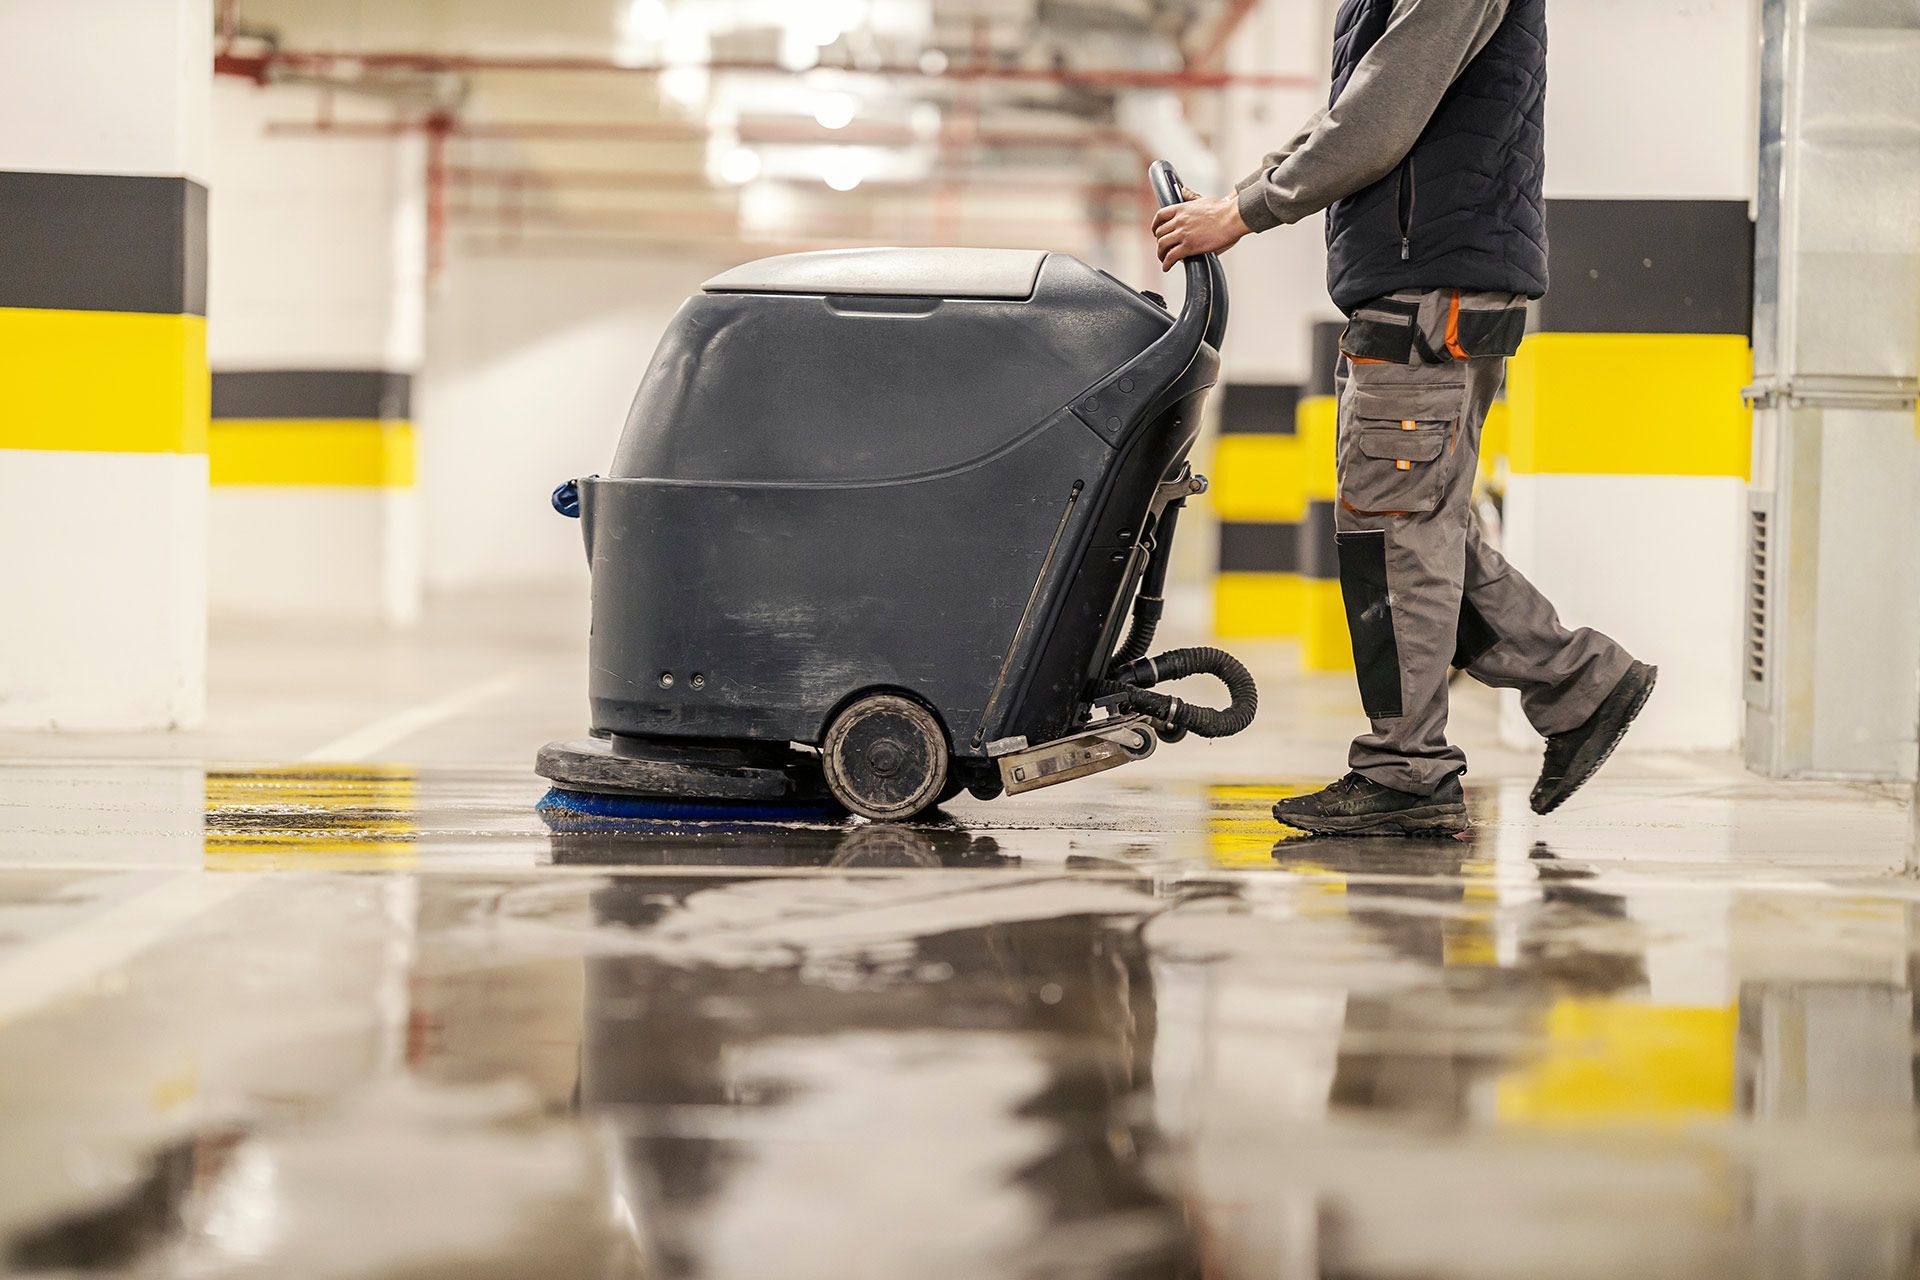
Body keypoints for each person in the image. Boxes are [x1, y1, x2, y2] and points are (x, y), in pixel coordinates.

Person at [1151, 0, 1656, 837]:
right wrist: (1242, 196)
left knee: (1395, 528)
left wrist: (1243, 213)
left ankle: (1409, 771)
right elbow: (1353, 108)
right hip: (1423, 283)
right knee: (1415, 529)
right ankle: (1580, 685)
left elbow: (1380, 115)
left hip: (1431, 289)